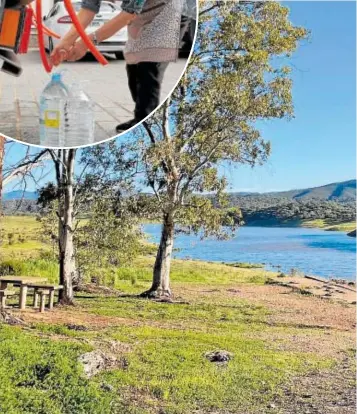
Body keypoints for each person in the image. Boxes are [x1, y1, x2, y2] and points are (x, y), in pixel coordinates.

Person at [51, 0, 194, 133]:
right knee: (133, 63)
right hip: (142, 10)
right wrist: (66, 41)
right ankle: (141, 117)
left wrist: (87, 42)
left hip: (171, 9)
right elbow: (88, 8)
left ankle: (146, 123)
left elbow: (127, 15)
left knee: (149, 65)